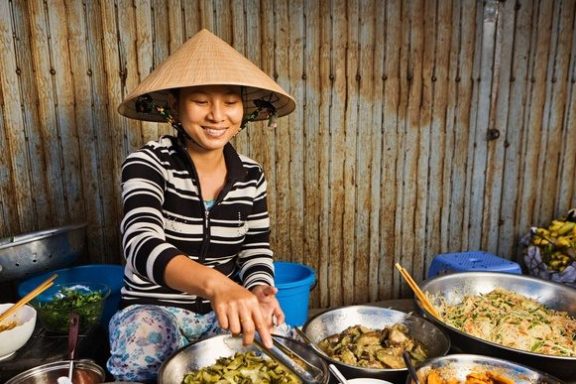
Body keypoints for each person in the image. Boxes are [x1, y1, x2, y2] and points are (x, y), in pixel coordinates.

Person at [108, 29, 296, 383]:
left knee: (281, 342)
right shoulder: (147, 163)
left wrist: (258, 291)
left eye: (229, 101)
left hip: (218, 313)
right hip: (153, 310)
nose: (217, 115)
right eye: (200, 101)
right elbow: (140, 244)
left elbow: (255, 248)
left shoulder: (252, 174)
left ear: (244, 109)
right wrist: (218, 286)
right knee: (147, 340)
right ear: (175, 107)